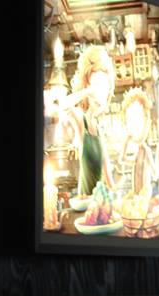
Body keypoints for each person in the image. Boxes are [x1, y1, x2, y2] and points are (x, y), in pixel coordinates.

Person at [54, 45, 117, 196]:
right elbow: (62, 105)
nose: (103, 91)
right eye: (99, 84)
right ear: (87, 83)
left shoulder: (99, 128)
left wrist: (116, 197)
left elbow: (108, 173)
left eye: (106, 86)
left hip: (100, 201)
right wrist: (89, 91)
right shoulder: (81, 119)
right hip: (85, 201)